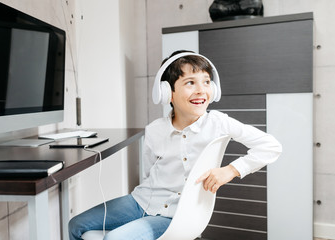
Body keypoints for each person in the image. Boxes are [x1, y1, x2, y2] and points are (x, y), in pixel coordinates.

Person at [68, 50, 282, 240]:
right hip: (140, 202)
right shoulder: (154, 130)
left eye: (206, 82)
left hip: (176, 215)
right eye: (190, 82)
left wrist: (231, 170)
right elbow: (149, 175)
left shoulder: (218, 122)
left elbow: (271, 146)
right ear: (166, 92)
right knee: (76, 225)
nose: (201, 90)